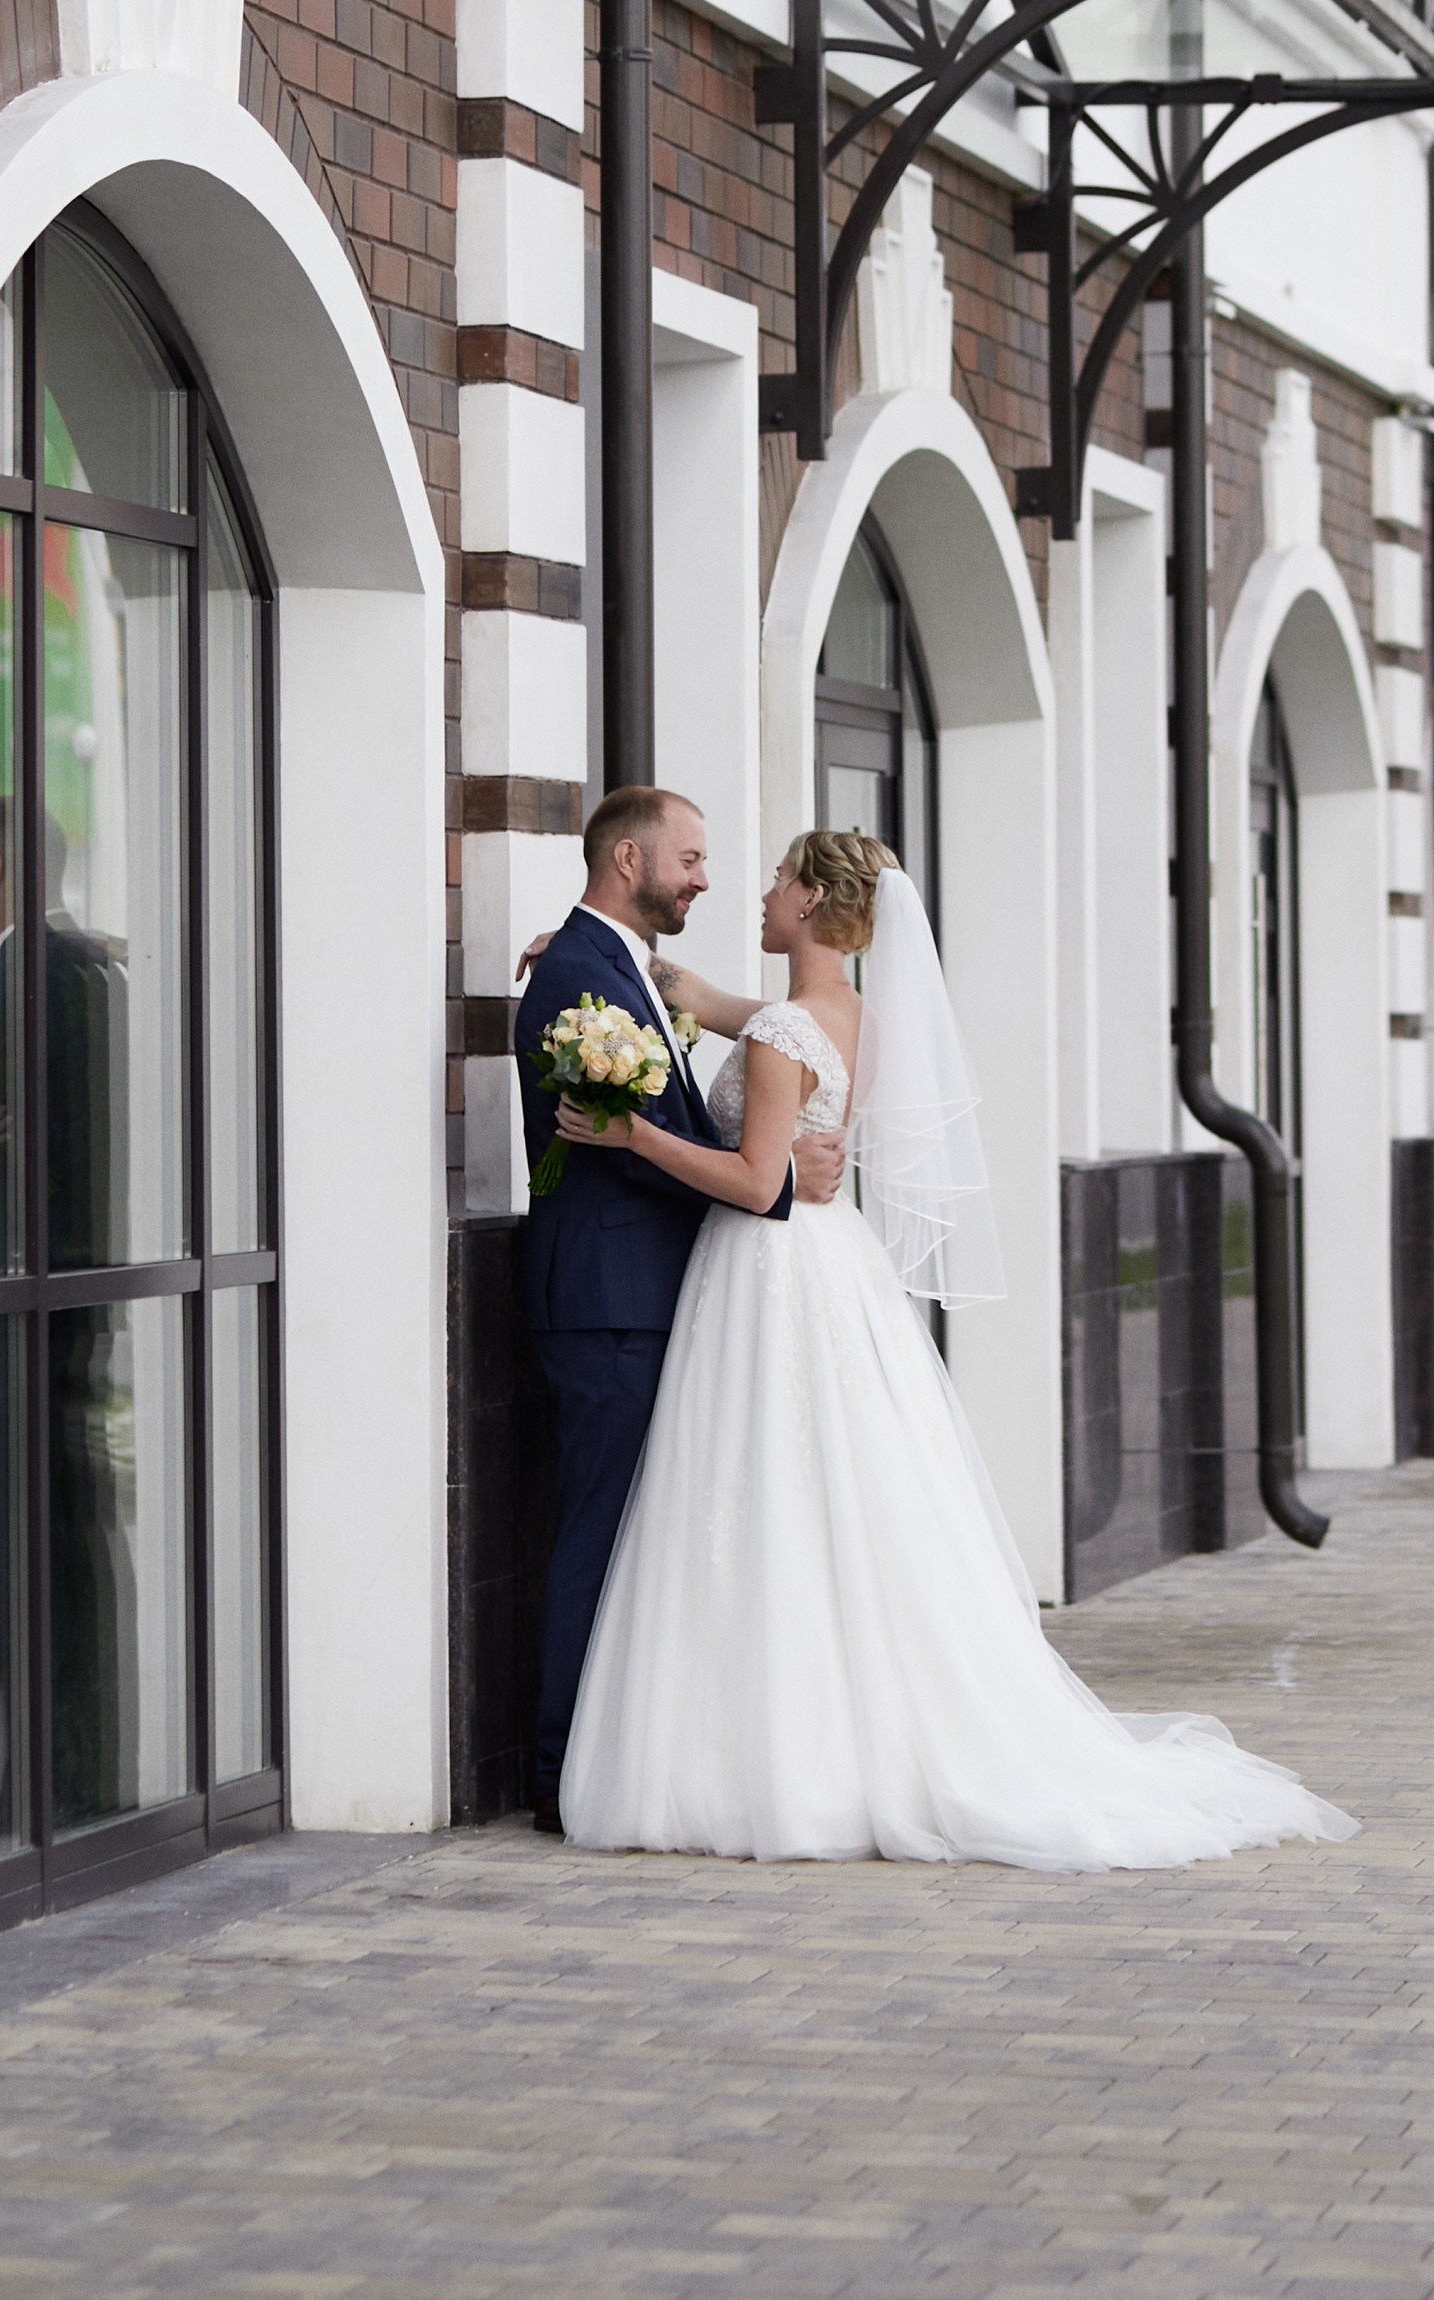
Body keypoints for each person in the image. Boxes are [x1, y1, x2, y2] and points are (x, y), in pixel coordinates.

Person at [552, 830, 1357, 1871]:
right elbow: (739, 1021)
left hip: (769, 1266)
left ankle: (774, 1755)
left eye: (779, 879)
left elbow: (759, 1183)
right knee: (834, 1495)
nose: (759, 891)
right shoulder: (851, 1018)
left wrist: (633, 1138)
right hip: (835, 1267)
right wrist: (631, 970)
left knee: (767, 1494)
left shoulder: (785, 1029)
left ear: (812, 902)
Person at [515, 785, 848, 1828]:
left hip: (658, 1294)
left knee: (640, 1536)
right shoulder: (579, 972)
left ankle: (620, 1753)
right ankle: (562, 1770)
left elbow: (671, 1074)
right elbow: (635, 1140)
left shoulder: (616, 967)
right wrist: (777, 1171)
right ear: (627, 860)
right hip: (610, 1302)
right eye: (691, 857)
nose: (708, 876)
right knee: (603, 1534)